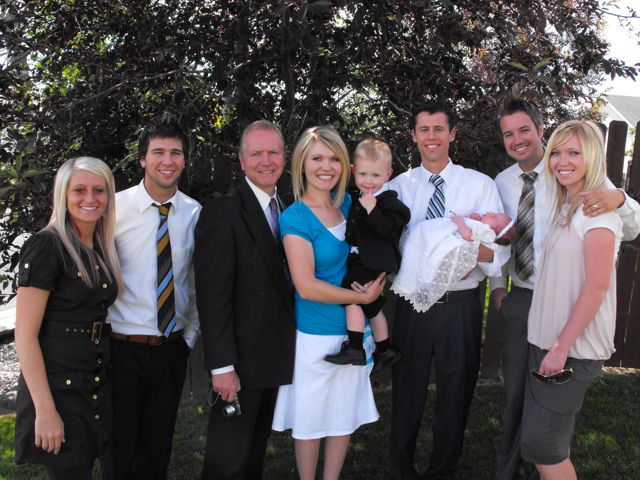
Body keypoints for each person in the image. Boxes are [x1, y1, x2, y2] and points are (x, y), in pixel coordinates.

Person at [491, 99, 640, 480]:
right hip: (526, 302)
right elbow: (506, 237)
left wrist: (621, 198)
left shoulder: (591, 197)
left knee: (546, 431)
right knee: (521, 401)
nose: (517, 139)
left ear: (540, 129)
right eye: (508, 134)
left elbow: (624, 236)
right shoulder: (518, 186)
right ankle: (512, 471)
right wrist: (498, 287)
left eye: (524, 130)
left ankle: (544, 464)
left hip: (569, 316)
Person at [387, 101, 510, 479]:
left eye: (439, 129)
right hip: (413, 305)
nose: (432, 137)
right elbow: (389, 246)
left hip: (461, 305)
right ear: (413, 136)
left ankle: (443, 470)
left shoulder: (479, 185)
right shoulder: (398, 187)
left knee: (456, 394)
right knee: (407, 391)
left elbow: (498, 250)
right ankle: (401, 470)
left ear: (452, 134)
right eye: (424, 130)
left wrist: (463, 254)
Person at [271, 126, 385, 480]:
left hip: (354, 334)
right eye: (317, 158)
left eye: (334, 158)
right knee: (309, 423)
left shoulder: (350, 204)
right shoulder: (295, 217)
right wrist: (361, 297)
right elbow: (306, 286)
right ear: (302, 164)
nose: (326, 166)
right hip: (315, 335)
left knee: (342, 419)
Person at [520, 120, 623, 480]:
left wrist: (561, 347)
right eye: (557, 153)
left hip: (571, 350)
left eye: (574, 152)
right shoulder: (569, 205)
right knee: (543, 444)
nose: (562, 161)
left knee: (544, 446)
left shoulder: (598, 214)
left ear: (592, 157)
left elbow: (596, 287)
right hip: (550, 343)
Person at [194, 120, 296, 479]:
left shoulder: (288, 209)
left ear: (284, 157)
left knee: (253, 457)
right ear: (241, 160)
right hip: (239, 362)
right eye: (256, 154)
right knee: (227, 462)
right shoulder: (222, 213)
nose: (266, 161)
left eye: (273, 152)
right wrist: (221, 366)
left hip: (274, 357)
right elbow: (212, 297)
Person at [14, 157, 122, 480]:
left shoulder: (100, 245)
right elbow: (25, 336)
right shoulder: (46, 246)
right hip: (59, 390)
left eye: (99, 190)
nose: (90, 198)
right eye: (79, 190)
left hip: (92, 381)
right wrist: (45, 410)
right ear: (63, 194)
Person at [107, 121, 201, 480]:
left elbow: (195, 282)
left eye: (175, 153)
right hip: (121, 349)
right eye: (158, 152)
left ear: (184, 160)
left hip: (170, 349)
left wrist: (188, 338)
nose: (167, 160)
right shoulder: (113, 209)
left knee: (158, 449)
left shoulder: (194, 213)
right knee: (119, 450)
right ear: (142, 159)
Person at [324, 139, 410, 374]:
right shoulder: (355, 196)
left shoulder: (390, 203)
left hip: (372, 262)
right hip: (359, 259)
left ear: (388, 174)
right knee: (371, 307)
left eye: (376, 175)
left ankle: (355, 348)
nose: (369, 181)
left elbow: (389, 231)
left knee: (352, 297)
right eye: (363, 174)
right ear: (353, 171)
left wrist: (372, 210)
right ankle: (385, 349)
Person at [392, 211, 514, 313]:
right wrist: (473, 219)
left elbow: (468, 235)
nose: (490, 212)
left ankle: (421, 283)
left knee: (432, 258)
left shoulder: (488, 233)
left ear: (497, 230)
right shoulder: (484, 227)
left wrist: (460, 221)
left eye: (494, 217)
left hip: (458, 297)